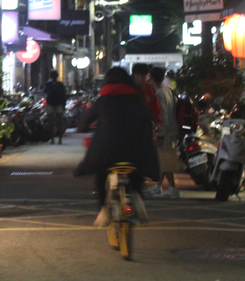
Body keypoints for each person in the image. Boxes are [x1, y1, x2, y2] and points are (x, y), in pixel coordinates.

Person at [74, 67, 161, 228]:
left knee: (101, 176)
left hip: (107, 152)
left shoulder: (103, 100)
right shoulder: (137, 99)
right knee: (137, 173)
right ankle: (137, 198)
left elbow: (86, 121)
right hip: (134, 151)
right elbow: (147, 121)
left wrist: (83, 127)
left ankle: (103, 210)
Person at [149, 64, 182, 199]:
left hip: (166, 132)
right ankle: (158, 187)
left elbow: (164, 117)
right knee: (164, 160)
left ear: (151, 79)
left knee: (165, 160)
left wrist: (160, 134)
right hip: (172, 131)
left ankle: (172, 188)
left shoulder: (159, 94)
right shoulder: (168, 91)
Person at [43, 71, 68, 144]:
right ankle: (60, 139)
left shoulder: (48, 84)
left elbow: (44, 92)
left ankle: (52, 139)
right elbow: (64, 95)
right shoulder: (60, 85)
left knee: (51, 123)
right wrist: (63, 105)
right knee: (59, 122)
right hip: (58, 104)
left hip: (50, 104)